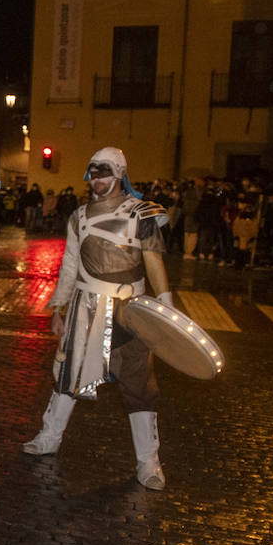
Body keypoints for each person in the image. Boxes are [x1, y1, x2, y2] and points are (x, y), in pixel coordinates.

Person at [22, 147, 172, 489]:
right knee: (69, 375)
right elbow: (70, 266)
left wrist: (165, 305)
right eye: (93, 173)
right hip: (86, 307)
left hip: (130, 311)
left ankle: (149, 462)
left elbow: (153, 262)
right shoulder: (78, 217)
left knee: (139, 385)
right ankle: (49, 438)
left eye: (103, 173)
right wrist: (59, 308)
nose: (96, 180)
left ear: (119, 174)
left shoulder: (141, 214)